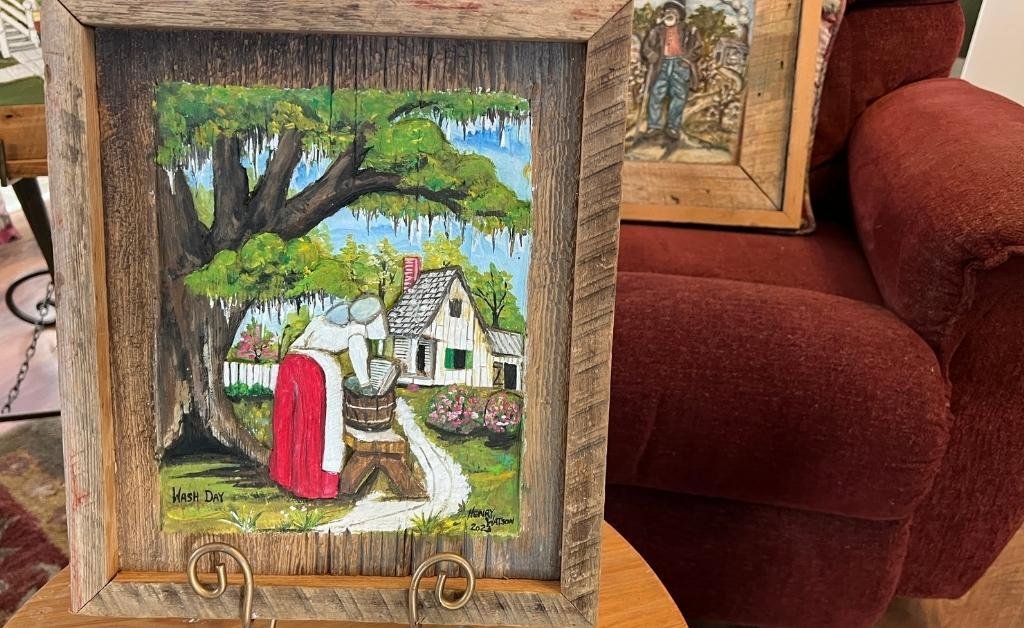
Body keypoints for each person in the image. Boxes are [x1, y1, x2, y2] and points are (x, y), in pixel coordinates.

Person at [268, 295, 388, 499]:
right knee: (318, 426)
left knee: (291, 422)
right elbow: (359, 355)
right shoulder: (356, 328)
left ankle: (287, 477)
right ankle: (314, 486)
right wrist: (366, 384)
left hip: (290, 364)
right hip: (313, 372)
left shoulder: (323, 319)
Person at [642, 0, 703, 141]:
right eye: (668, 11)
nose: (670, 14)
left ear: (679, 15)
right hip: (661, 65)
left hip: (680, 65)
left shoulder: (689, 30)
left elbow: (698, 48)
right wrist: (652, 55)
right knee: (656, 94)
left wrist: (686, 60)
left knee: (679, 96)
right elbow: (646, 47)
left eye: (674, 12)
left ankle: (673, 127)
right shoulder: (656, 31)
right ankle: (654, 126)